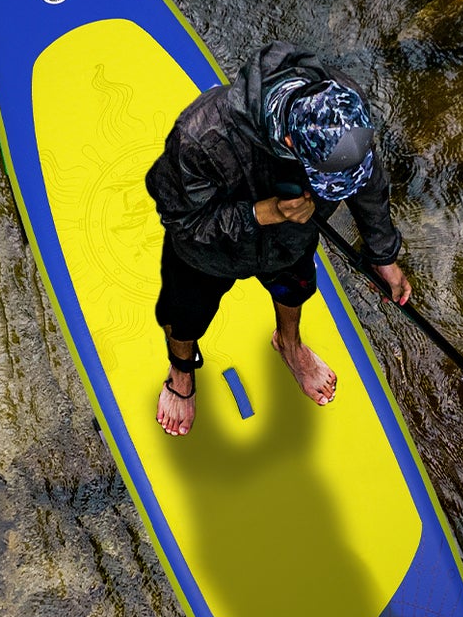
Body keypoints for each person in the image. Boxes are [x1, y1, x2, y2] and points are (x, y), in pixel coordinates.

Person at [145, 42, 411, 435]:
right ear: (289, 142)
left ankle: (290, 346)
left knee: (295, 290)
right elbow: (183, 220)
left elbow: (368, 181)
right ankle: (181, 373)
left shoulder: (343, 106)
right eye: (327, 183)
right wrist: (263, 213)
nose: (334, 193)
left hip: (291, 242)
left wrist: (382, 254)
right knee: (183, 317)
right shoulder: (201, 136)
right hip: (208, 255)